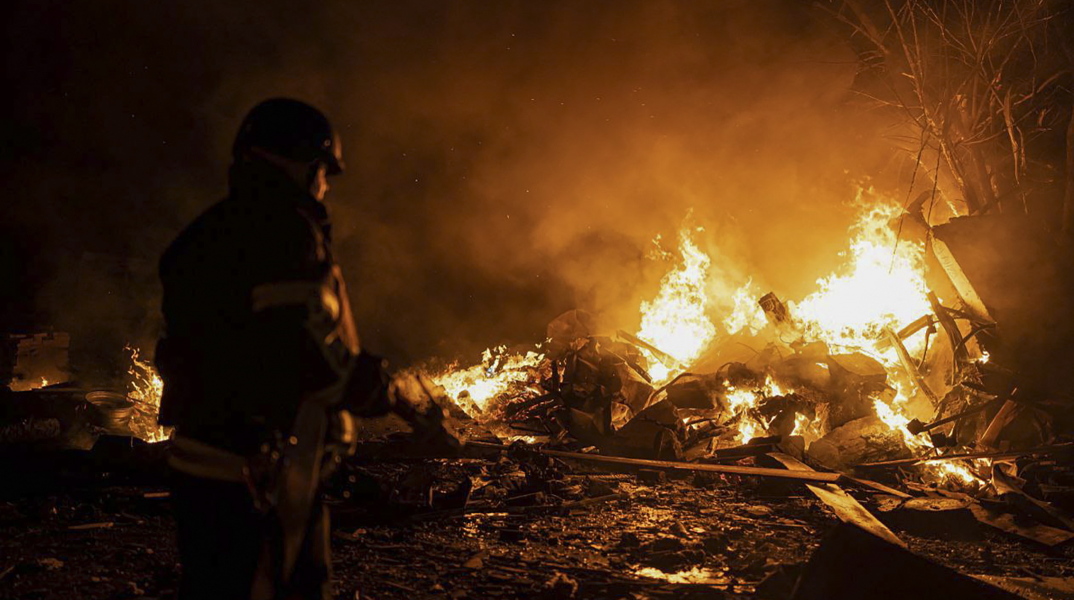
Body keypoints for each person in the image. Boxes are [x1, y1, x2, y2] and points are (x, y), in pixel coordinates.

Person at [155, 98, 455, 600]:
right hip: (261, 472)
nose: (325, 186)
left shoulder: (204, 233)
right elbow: (304, 356)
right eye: (323, 171)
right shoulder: (283, 231)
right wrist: (390, 393)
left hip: (202, 464)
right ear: (298, 162)